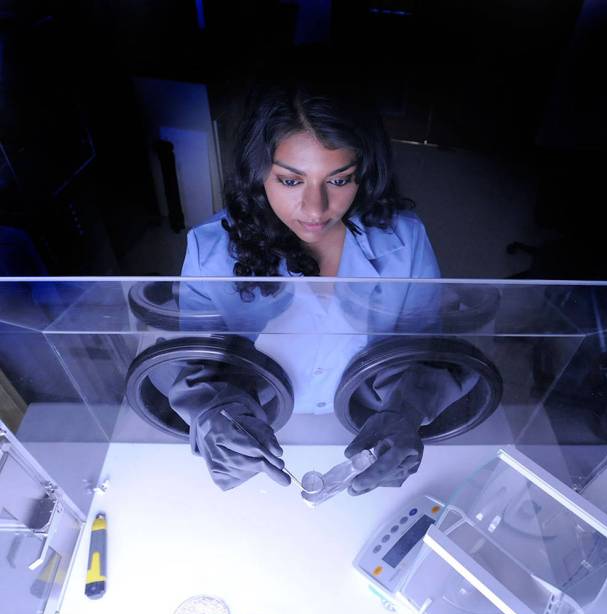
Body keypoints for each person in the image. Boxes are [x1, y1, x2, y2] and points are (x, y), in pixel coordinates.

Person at [170, 77, 472, 497]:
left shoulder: (405, 242)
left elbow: (426, 346)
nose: (315, 209)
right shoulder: (210, 251)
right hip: (261, 434)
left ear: (363, 173)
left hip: (365, 425)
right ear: (258, 173)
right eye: (291, 181)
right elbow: (193, 363)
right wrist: (216, 415)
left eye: (339, 180)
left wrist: (407, 410)